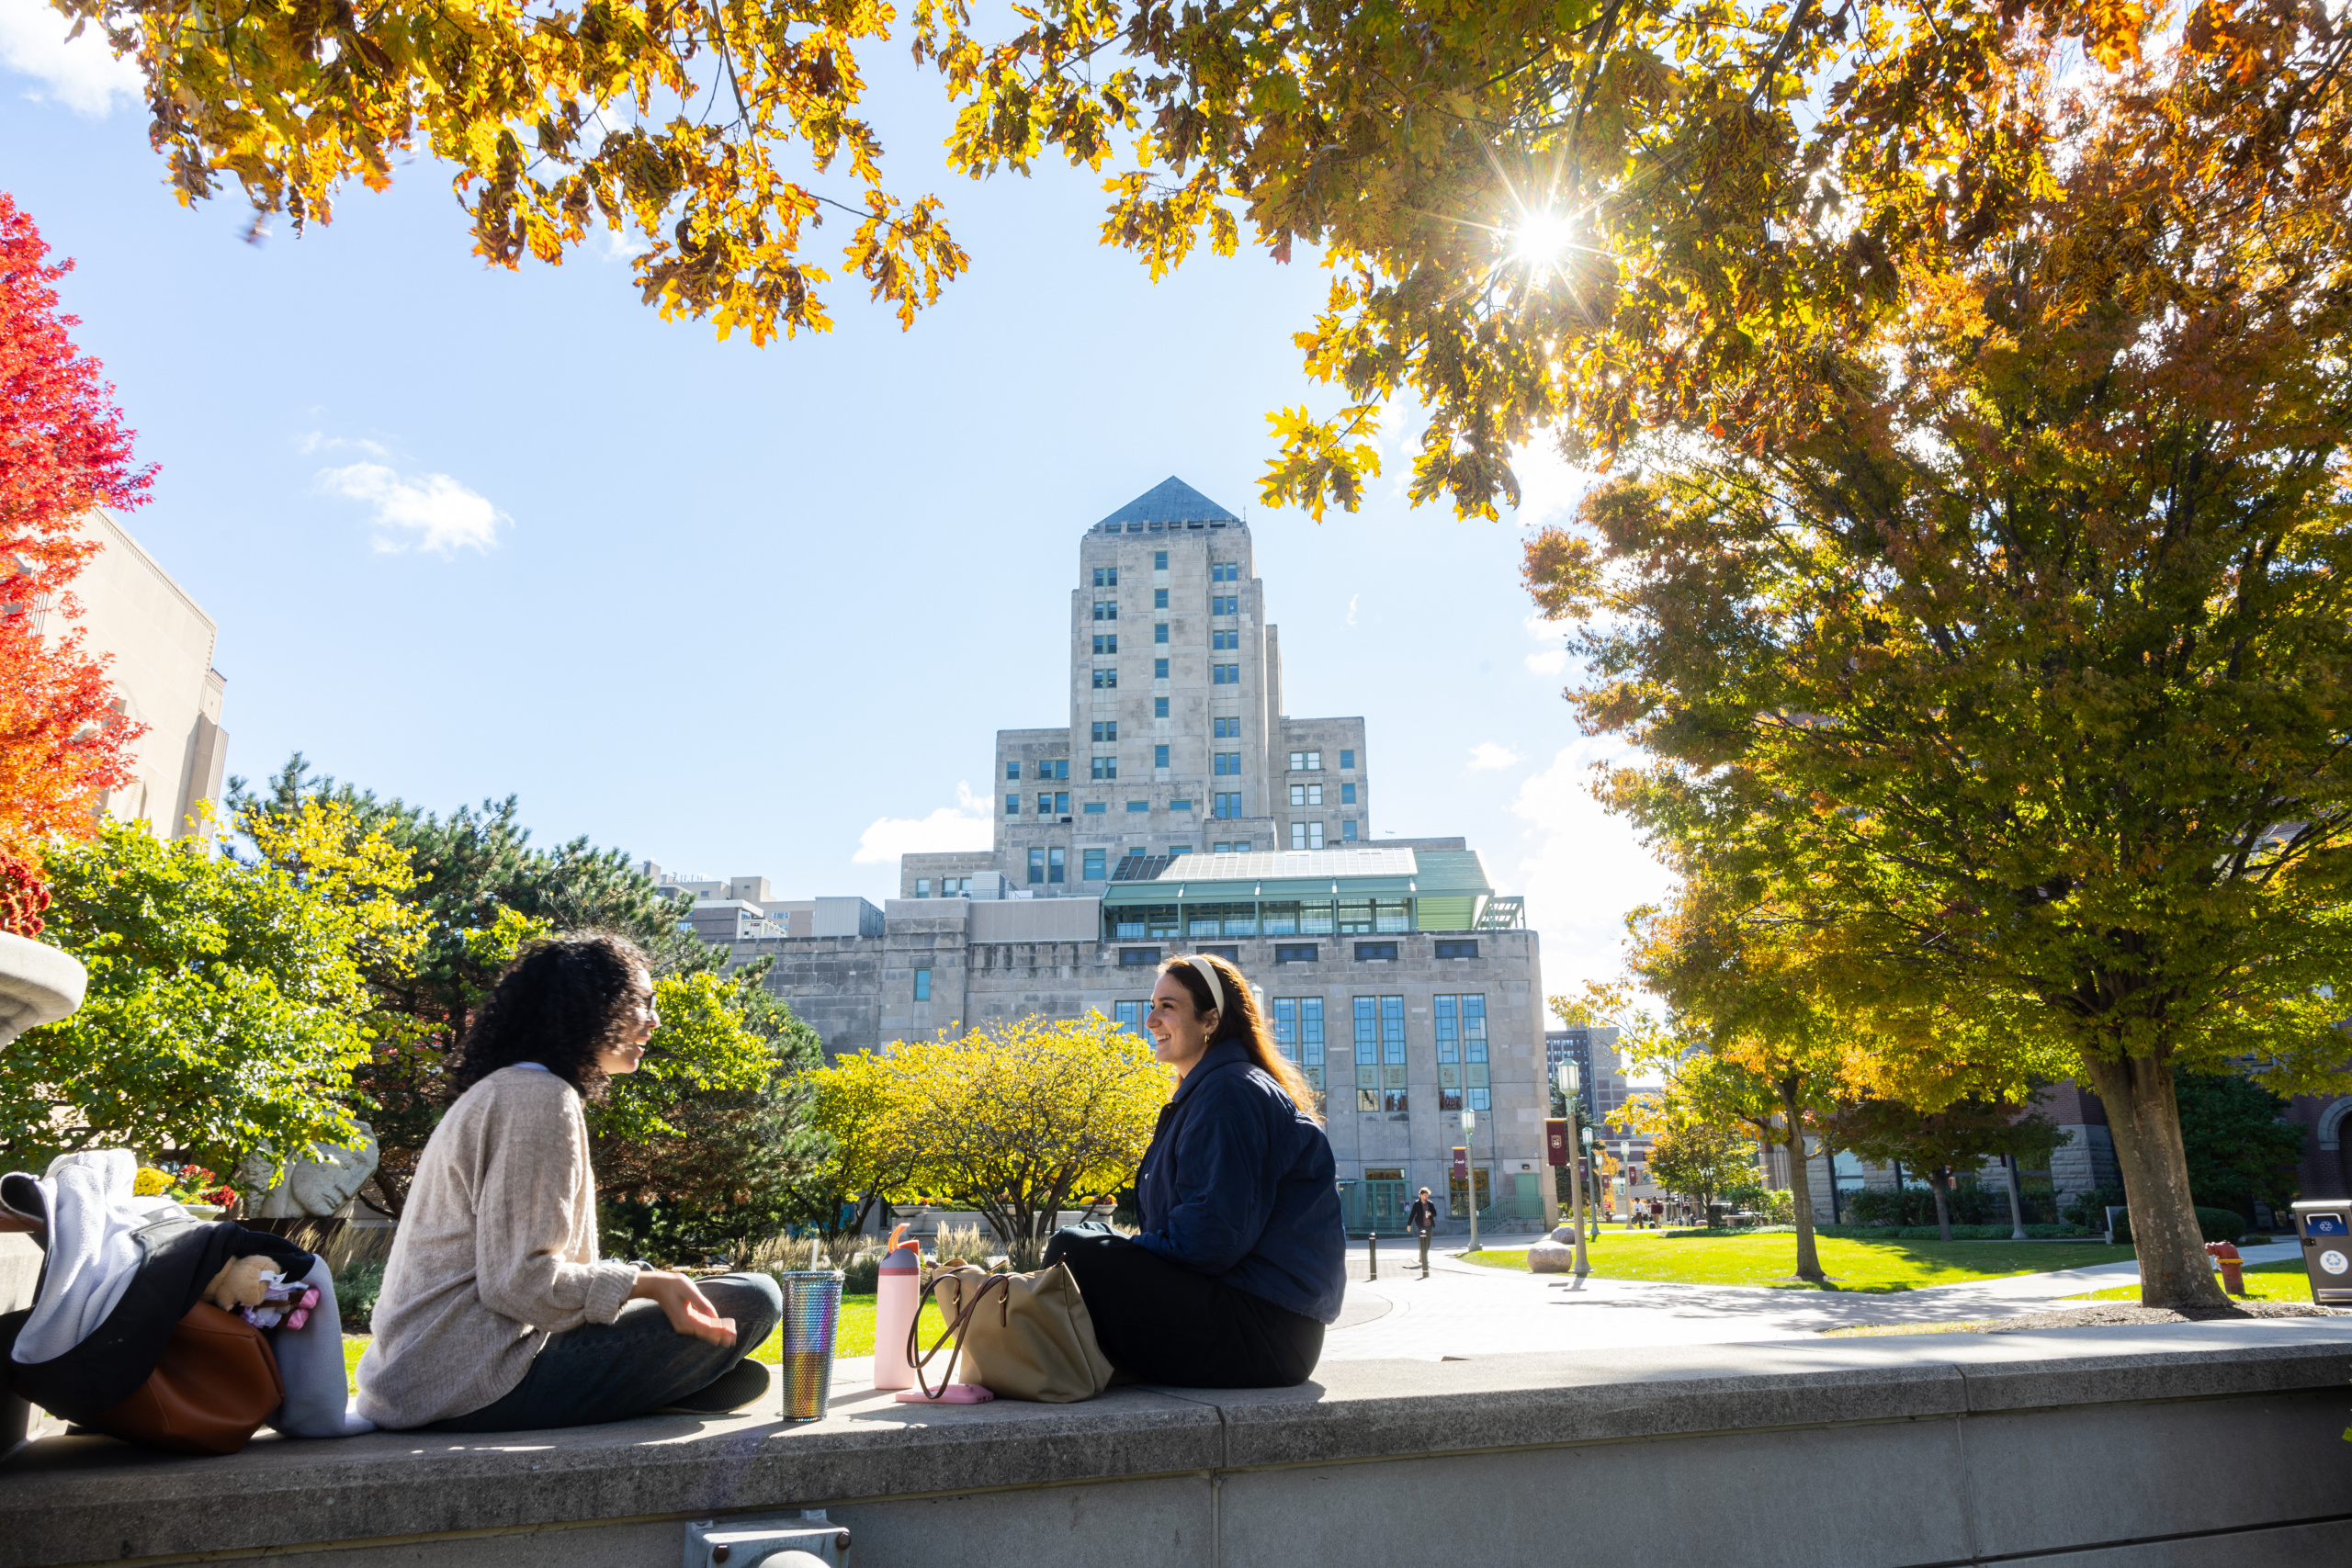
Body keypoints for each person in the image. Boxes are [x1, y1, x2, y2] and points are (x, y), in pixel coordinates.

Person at [356, 934, 781, 1431]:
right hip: (470, 1383)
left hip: (424, 1377)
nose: (655, 1021)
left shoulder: (506, 1090)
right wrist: (646, 1284)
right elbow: (520, 1283)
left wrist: (638, 1282)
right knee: (755, 1298)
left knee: (678, 1293)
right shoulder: (539, 1098)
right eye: (643, 1002)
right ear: (593, 1004)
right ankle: (667, 1381)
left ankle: (668, 1378)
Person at [1044, 953, 1344, 1388]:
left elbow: (1211, 1239)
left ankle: (1058, 1365)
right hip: (1259, 1324)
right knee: (1086, 1239)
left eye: (1168, 1006)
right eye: (1152, 1006)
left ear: (1211, 1020)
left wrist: (1128, 1249)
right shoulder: (1210, 1091)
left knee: (1074, 1249)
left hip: (1267, 1333)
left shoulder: (1230, 1092)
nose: (1150, 1020)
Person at [1405, 1187, 1439, 1276]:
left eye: (1427, 1195)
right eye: (1424, 1195)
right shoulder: (1417, 1204)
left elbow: (1435, 1213)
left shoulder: (1430, 1203)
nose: (1426, 1196)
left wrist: (1431, 1214)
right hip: (1421, 1225)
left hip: (1429, 1225)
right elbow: (1412, 1214)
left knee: (1427, 1243)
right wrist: (1409, 1225)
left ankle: (1422, 1256)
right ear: (1421, 1195)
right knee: (1422, 1242)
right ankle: (1424, 1258)